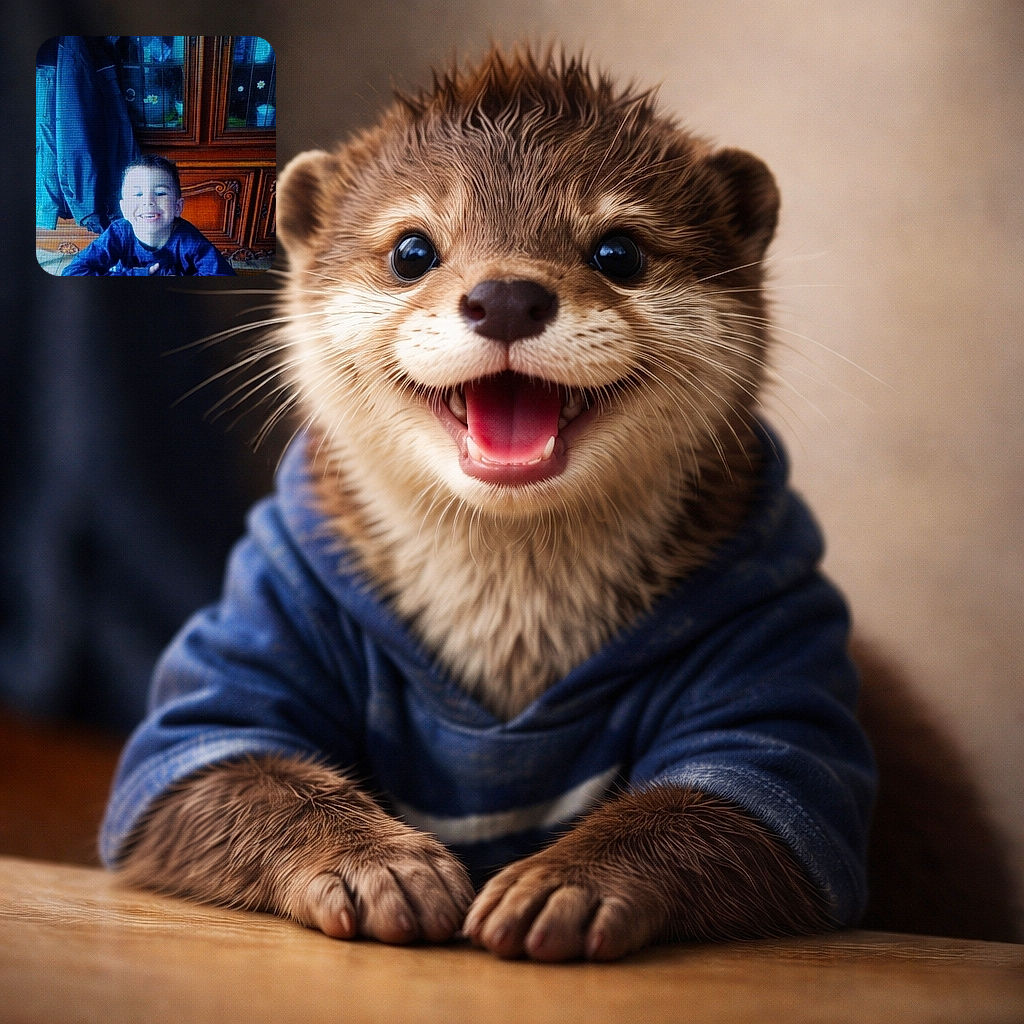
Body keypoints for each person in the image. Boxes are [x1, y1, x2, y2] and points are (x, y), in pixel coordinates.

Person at [62, 155, 235, 276]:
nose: (148, 201)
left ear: (177, 207)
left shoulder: (189, 240)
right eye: (137, 194)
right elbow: (73, 272)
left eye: (160, 193)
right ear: (124, 208)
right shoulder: (118, 232)